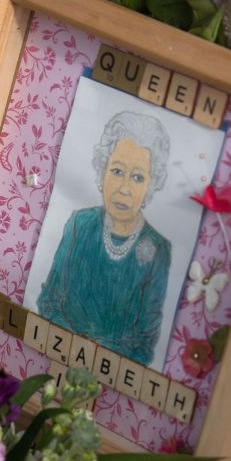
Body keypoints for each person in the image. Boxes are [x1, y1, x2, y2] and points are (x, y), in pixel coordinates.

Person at [37, 110, 173, 366]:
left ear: (151, 186)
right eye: (117, 171)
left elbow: (144, 344)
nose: (124, 188)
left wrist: (94, 356)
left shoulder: (158, 250)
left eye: (137, 177)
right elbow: (49, 302)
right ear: (102, 173)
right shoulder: (79, 224)